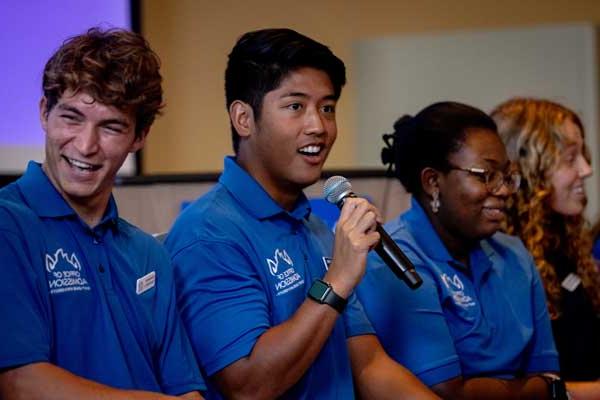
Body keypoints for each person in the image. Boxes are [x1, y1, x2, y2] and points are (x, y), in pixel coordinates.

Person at [165, 28, 438, 400]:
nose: (319, 127)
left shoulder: (313, 227)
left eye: (327, 108)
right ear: (243, 118)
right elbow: (249, 384)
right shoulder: (208, 232)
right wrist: (338, 279)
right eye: (296, 106)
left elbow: (369, 364)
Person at [0, 28, 205, 399]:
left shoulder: (148, 253)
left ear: (139, 136)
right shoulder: (8, 225)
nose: (85, 145)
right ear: (45, 113)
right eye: (72, 118)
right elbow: (19, 384)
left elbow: (183, 387)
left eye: (111, 127)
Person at [356, 102, 563, 399]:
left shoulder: (515, 254)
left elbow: (550, 377)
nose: (504, 190)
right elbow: (444, 392)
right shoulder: (393, 258)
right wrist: (535, 390)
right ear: (433, 182)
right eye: (485, 175)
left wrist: (540, 387)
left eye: (506, 176)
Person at [492, 98, 600, 398]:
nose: (586, 169)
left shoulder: (565, 244)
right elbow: (521, 389)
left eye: (584, 155)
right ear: (528, 169)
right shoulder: (503, 261)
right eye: (570, 158)